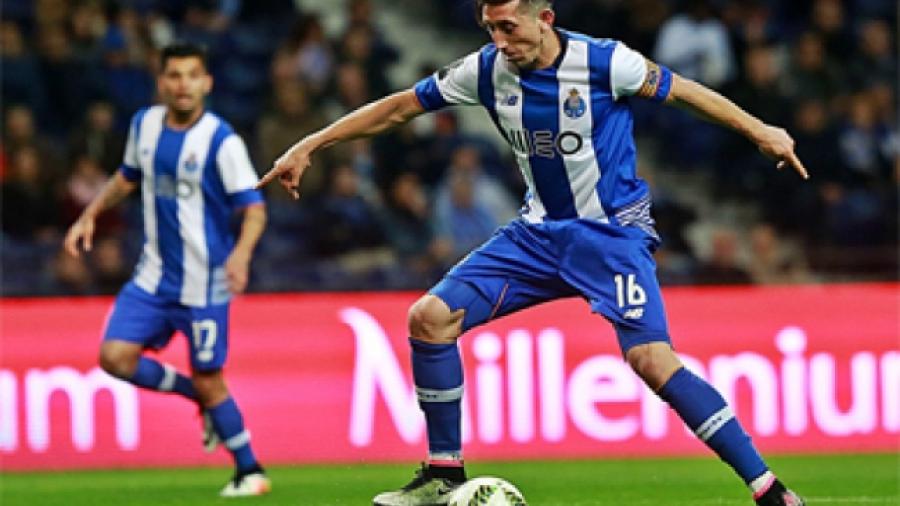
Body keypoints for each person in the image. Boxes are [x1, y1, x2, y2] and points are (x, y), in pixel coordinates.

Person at [258, 1, 808, 505]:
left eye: (508, 27)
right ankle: (443, 474)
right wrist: (311, 144)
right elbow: (400, 108)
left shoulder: (604, 62)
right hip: (536, 236)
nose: (499, 40)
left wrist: (761, 131)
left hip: (610, 237)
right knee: (428, 319)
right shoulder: (485, 70)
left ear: (543, 18)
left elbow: (686, 91)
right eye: (490, 29)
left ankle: (769, 490)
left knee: (651, 361)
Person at [64, 43, 270, 497]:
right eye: (174, 76)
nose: (182, 85)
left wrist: (241, 255)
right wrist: (90, 214)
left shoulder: (222, 141)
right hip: (153, 278)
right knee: (114, 357)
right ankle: (198, 398)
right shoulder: (145, 125)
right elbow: (126, 177)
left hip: (206, 285)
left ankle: (250, 471)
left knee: (212, 378)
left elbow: (253, 208)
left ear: (207, 83)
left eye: (192, 75)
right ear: (162, 82)